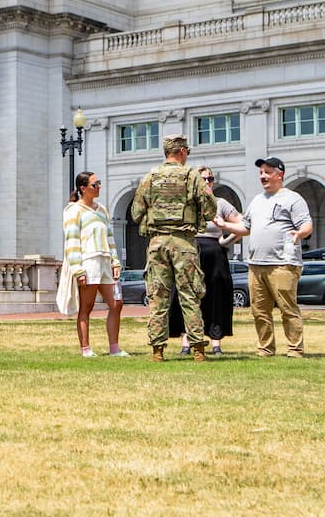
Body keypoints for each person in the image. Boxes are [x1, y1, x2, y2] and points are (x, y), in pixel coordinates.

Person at [130, 135, 216, 362]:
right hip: (183, 242)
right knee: (190, 296)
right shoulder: (192, 176)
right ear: (182, 152)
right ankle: (198, 349)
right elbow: (209, 209)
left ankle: (157, 351)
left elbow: (136, 212)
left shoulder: (150, 176)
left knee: (158, 297)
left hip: (157, 242)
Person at [216, 156, 312, 358]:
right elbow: (245, 227)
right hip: (256, 264)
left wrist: (299, 234)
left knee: (288, 309)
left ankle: (295, 349)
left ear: (280, 174)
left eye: (267, 172)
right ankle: (266, 349)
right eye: (261, 172)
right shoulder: (258, 200)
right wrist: (225, 226)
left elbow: (307, 224)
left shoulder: (293, 199)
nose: (263, 176)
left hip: (283, 264)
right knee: (259, 311)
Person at [168, 167, 243, 356]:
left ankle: (216, 343)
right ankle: (186, 342)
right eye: (203, 179)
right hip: (189, 252)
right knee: (186, 294)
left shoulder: (221, 204)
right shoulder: (186, 203)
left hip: (215, 253)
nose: (208, 182)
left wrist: (225, 237)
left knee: (216, 294)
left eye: (210, 178)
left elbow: (243, 226)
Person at [62, 171, 125, 357]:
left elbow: (110, 237)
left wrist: (115, 261)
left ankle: (114, 348)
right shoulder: (74, 210)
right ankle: (86, 348)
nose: (98, 187)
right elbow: (71, 240)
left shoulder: (102, 210)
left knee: (116, 303)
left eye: (99, 183)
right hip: (88, 262)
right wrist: (77, 269)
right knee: (86, 307)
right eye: (94, 184)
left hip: (105, 261)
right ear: (83, 188)